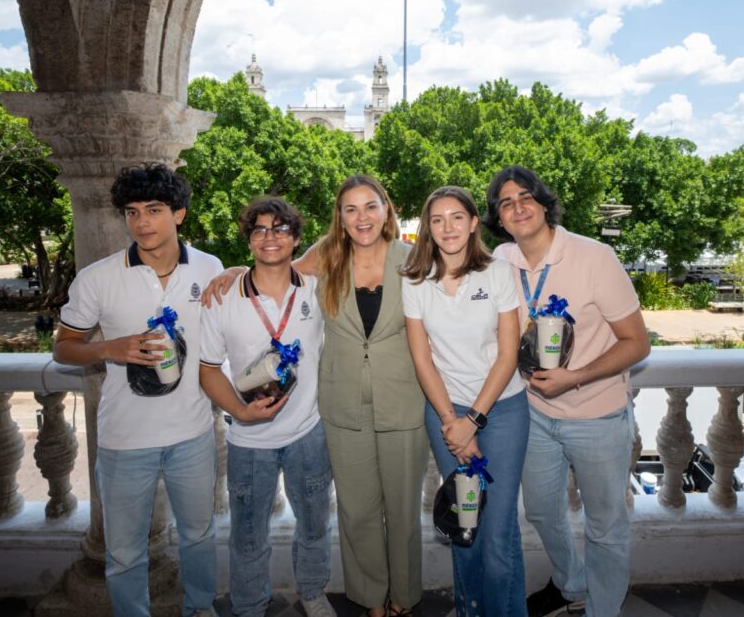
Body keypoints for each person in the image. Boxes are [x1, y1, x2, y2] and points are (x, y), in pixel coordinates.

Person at [205, 176, 428, 617]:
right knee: (355, 513)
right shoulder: (327, 260)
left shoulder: (414, 260)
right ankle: (370, 600)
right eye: (350, 209)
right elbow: (272, 265)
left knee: (402, 512)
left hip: (399, 401)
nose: (361, 217)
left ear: (387, 210)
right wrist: (233, 272)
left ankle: (401, 596)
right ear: (339, 219)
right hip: (341, 407)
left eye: (370, 206)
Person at [53, 162, 223, 617]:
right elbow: (64, 350)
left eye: (154, 209)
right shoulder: (98, 277)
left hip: (192, 434)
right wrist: (112, 348)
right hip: (124, 441)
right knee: (125, 552)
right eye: (131, 212)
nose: (142, 222)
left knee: (200, 537)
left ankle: (201, 609)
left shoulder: (209, 268)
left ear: (179, 214)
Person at [482, 166, 650, 617]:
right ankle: (572, 583)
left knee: (605, 524)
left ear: (543, 202)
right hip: (532, 415)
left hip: (598, 416)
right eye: (505, 202)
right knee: (540, 512)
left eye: (525, 197)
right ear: (498, 217)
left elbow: (638, 342)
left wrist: (574, 377)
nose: (517, 207)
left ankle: (604, 609)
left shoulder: (594, 257)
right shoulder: (500, 260)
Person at [198, 196, 336, 617]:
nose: (269, 237)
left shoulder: (316, 287)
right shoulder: (222, 297)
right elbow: (207, 371)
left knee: (314, 527)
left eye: (280, 229)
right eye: (259, 229)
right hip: (248, 441)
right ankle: (249, 605)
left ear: (296, 239)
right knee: (247, 536)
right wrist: (240, 413)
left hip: (308, 433)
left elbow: (346, 237)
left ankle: (312, 593)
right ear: (248, 240)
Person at [401, 185, 528, 617]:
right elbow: (422, 360)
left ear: (474, 223)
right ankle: (471, 609)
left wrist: (472, 420)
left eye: (457, 217)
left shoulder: (495, 273)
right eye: (437, 220)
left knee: (497, 533)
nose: (447, 227)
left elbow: (509, 354)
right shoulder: (415, 280)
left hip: (502, 411)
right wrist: (452, 421)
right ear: (427, 228)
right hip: (445, 413)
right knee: (465, 526)